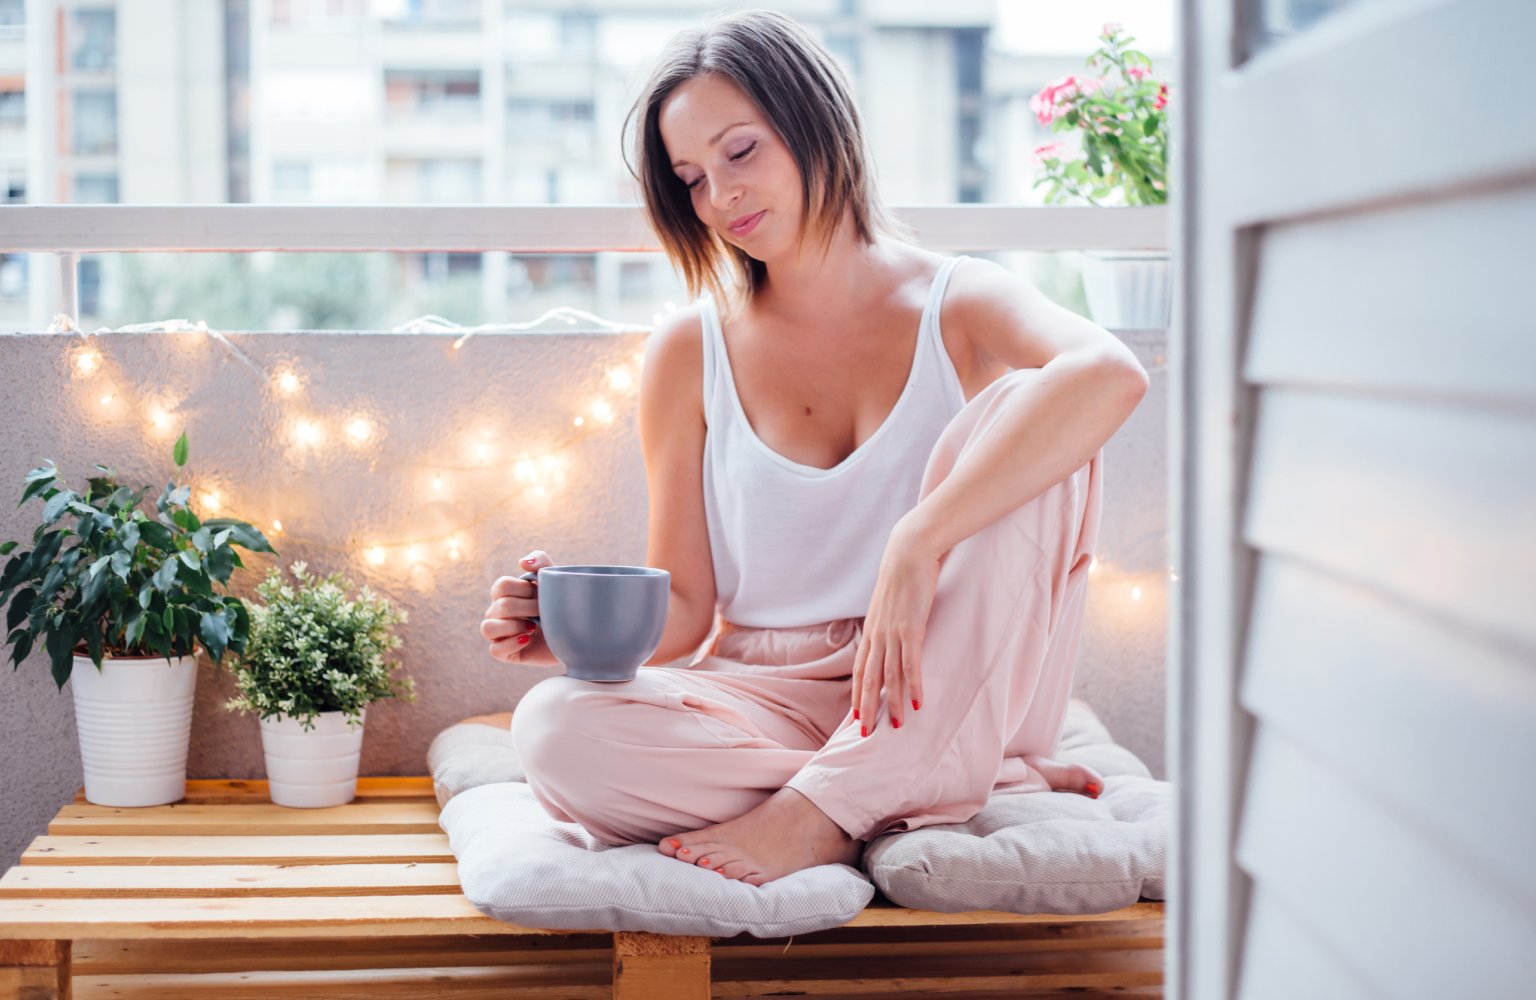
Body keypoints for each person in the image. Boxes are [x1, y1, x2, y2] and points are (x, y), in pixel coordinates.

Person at [479, 9, 1148, 888]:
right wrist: (573, 643)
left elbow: (1111, 373)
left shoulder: (962, 303)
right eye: (691, 178)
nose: (720, 198)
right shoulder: (688, 350)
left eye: (741, 152)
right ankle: (925, 783)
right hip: (766, 695)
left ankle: (828, 807)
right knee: (555, 729)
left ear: (816, 123)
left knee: (1039, 403)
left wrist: (918, 543)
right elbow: (686, 609)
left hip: (939, 670)